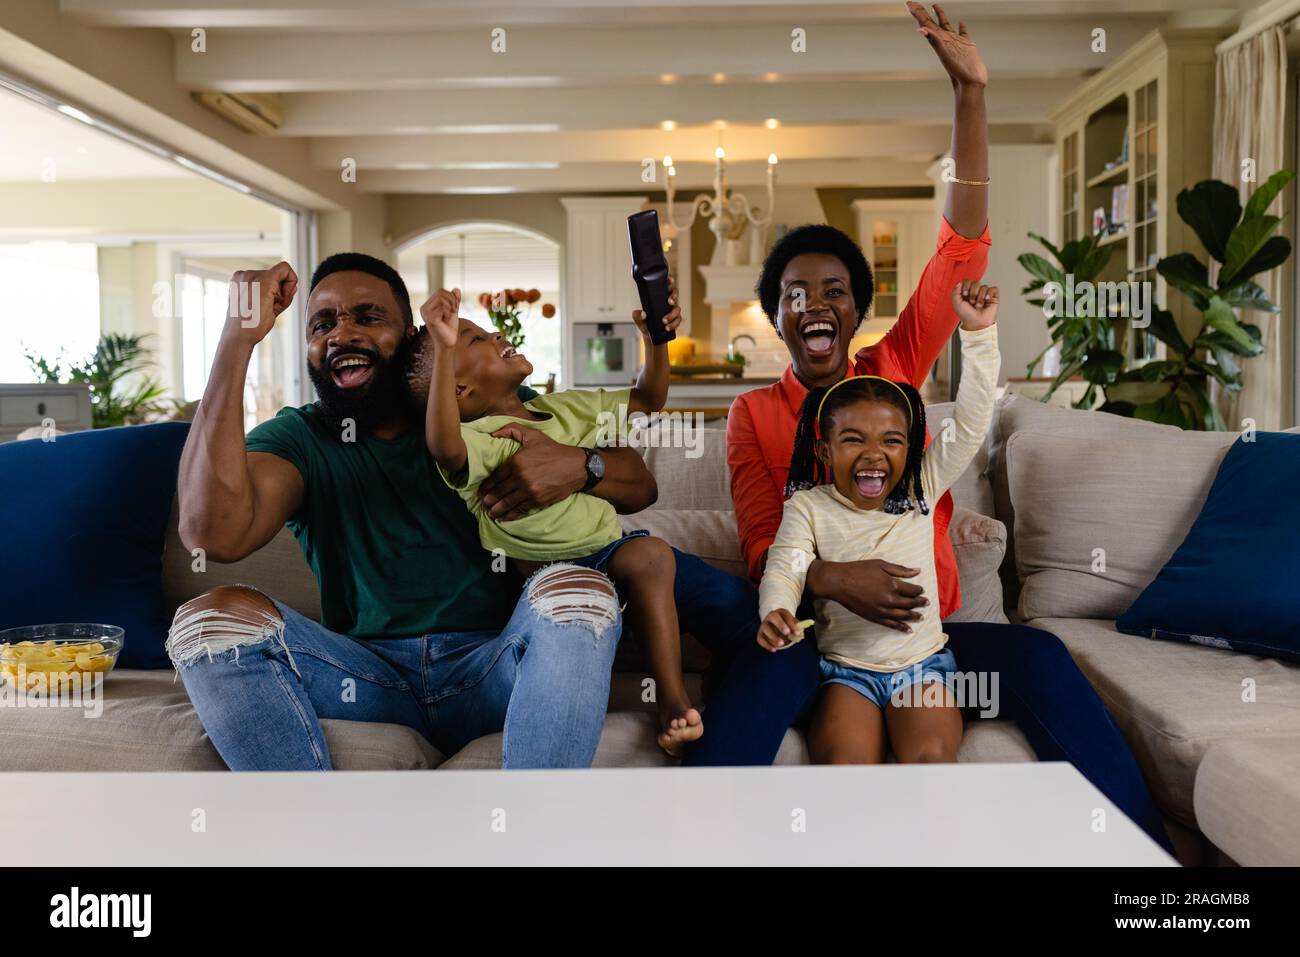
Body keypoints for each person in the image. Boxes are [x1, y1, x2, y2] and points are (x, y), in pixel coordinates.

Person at [714, 4, 1173, 849]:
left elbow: (961, 245)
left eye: (833, 291)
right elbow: (757, 548)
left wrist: (970, 93)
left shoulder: (893, 371)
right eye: (794, 295)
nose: (814, 304)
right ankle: (693, 849)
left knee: (1040, 662)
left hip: (930, 640)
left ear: (856, 308)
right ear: (777, 317)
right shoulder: (753, 413)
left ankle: (1152, 862)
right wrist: (826, 580)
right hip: (817, 635)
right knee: (750, 691)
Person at [168, 253, 654, 769]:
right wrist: (236, 338)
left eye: (368, 317)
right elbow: (209, 534)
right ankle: (304, 840)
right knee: (210, 622)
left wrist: (583, 465)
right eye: (323, 324)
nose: (342, 334)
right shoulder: (301, 437)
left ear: (412, 339)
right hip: (363, 682)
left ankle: (533, 841)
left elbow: (640, 485)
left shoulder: (478, 410)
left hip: (494, 669)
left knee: (581, 590)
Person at [419, 284, 703, 753]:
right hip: (547, 579)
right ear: (460, 392)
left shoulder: (566, 407)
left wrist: (656, 339)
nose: (493, 333)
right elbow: (443, 446)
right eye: (474, 340)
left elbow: (648, 399)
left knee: (653, 555)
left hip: (607, 551)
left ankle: (672, 699)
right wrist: (443, 344)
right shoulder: (483, 437)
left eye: (479, 330)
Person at [758, 281, 998, 764]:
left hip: (923, 669)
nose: (873, 456)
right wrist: (775, 610)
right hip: (847, 672)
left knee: (930, 760)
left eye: (891, 441)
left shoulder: (920, 486)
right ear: (825, 451)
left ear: (909, 450)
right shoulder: (808, 505)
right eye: (852, 440)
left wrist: (978, 334)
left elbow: (972, 423)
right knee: (847, 767)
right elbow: (785, 566)